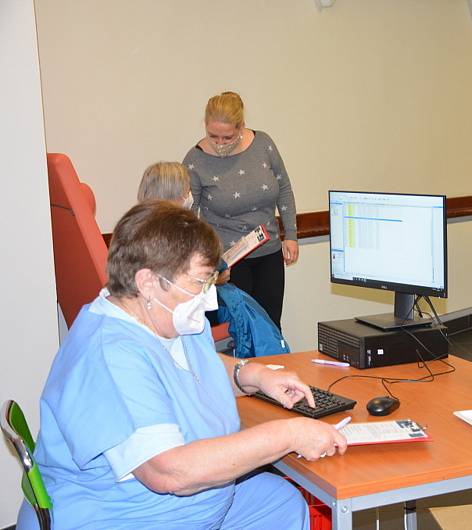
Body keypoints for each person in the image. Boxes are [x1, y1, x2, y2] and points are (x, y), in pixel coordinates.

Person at [17, 202, 345, 529]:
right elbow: (169, 472)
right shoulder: (110, 354)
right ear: (147, 282)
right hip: (121, 514)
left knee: (281, 504)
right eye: (199, 282)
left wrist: (250, 374)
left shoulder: (163, 316)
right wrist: (288, 434)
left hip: (185, 505)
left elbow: (190, 366)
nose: (209, 298)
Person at [184, 91, 298, 329]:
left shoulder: (263, 144)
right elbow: (188, 213)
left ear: (241, 126)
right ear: (205, 126)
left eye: (227, 137)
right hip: (228, 261)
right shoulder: (196, 160)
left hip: (269, 252)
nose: (220, 143)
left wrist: (291, 235)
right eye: (213, 136)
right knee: (238, 330)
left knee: (270, 326)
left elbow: (284, 188)